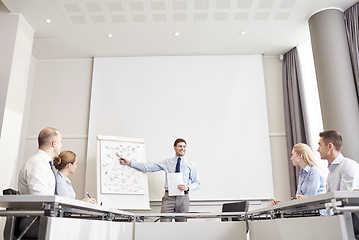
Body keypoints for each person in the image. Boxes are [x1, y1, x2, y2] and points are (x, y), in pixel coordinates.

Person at [119, 138, 200, 222]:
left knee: (181, 227)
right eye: (180, 146)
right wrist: (130, 163)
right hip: (169, 197)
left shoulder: (191, 164)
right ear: (174, 147)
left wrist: (187, 187)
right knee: (164, 224)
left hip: (183, 198)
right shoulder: (167, 162)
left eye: (184, 146)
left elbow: (197, 182)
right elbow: (149, 167)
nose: (182, 148)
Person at [17, 127, 62, 238]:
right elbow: (40, 198)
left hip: (40, 217)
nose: (61, 144)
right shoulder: (37, 163)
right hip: (33, 220)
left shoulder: (43, 163)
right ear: (54, 143)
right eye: (60, 141)